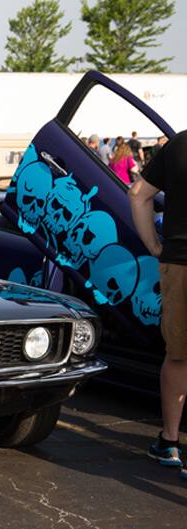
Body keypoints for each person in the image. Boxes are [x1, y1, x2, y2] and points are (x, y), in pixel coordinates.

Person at [128, 130, 187, 481]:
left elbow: (138, 194)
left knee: (179, 355)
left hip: (179, 262)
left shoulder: (179, 145)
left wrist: (153, 245)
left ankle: (169, 441)